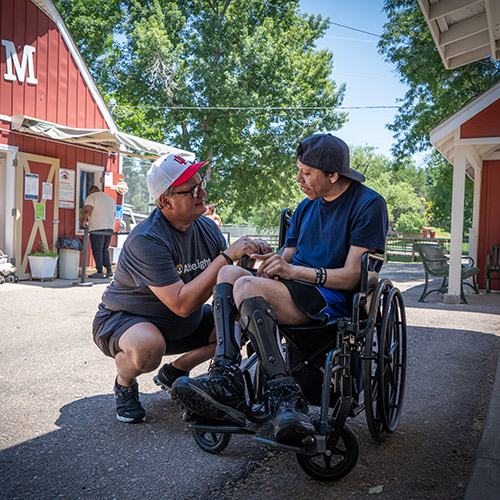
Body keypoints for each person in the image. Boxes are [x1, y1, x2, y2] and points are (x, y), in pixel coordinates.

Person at [171, 134, 389, 444]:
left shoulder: (368, 204)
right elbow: (283, 260)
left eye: (307, 173)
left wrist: (290, 271)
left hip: (333, 300)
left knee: (245, 284)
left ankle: (286, 395)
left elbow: (354, 276)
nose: (299, 179)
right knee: (231, 272)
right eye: (298, 170)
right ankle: (225, 378)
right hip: (293, 291)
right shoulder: (304, 207)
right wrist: (268, 260)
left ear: (333, 174)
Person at [92, 153, 270, 424]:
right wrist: (227, 256)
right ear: (166, 201)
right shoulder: (147, 239)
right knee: (148, 347)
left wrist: (257, 258)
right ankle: (125, 383)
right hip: (127, 321)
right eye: (193, 190)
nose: (202, 194)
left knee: (240, 323)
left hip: (184, 324)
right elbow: (182, 304)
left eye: (201, 185)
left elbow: (222, 281)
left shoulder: (207, 228)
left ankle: (175, 371)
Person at [81, 186, 116, 279]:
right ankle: (109, 270)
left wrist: (83, 221)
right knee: (105, 249)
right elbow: (114, 214)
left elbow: (87, 209)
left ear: (91, 191)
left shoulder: (92, 196)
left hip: (97, 227)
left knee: (97, 250)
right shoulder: (110, 199)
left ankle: (99, 271)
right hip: (109, 227)